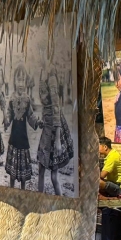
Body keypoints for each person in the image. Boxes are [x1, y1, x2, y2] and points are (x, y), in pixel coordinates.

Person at [36, 67, 74, 195]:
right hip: (47, 128)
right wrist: (42, 120)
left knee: (53, 176)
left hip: (55, 129)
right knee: (41, 169)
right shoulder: (42, 73)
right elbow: (46, 105)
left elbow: (56, 107)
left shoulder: (51, 76)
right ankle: (39, 200)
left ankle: (61, 201)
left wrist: (58, 140)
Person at [3, 66, 38, 190]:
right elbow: (8, 115)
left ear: (26, 82)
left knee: (23, 175)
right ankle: (12, 190)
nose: (21, 83)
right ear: (14, 81)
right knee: (12, 174)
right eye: (19, 80)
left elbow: (31, 116)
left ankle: (23, 191)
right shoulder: (11, 99)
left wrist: (37, 122)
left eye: (23, 80)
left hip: (23, 140)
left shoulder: (27, 100)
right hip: (13, 140)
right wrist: (6, 121)